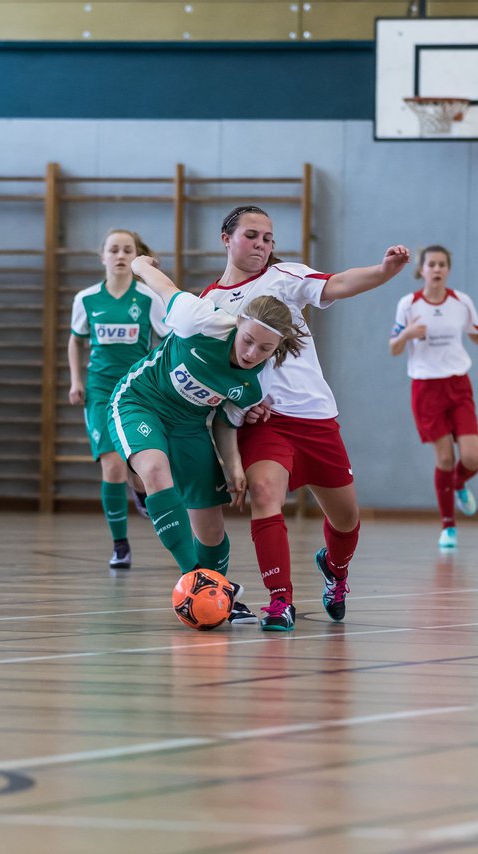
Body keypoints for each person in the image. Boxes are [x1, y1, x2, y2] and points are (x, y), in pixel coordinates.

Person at [200, 205, 410, 631]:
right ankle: (280, 601)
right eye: (252, 235)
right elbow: (206, 372)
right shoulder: (208, 304)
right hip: (265, 423)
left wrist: (384, 270)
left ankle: (335, 569)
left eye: (268, 239)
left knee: (346, 519)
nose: (261, 245)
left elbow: (338, 283)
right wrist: (232, 404)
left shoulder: (284, 278)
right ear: (226, 238)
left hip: (316, 419)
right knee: (263, 494)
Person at [112, 254, 308, 625]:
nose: (252, 353)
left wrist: (233, 466)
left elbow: (226, 421)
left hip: (190, 425)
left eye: (264, 349)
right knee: (154, 468)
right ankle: (200, 582)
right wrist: (139, 264)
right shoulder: (199, 319)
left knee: (211, 525)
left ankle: (218, 589)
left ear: (276, 349)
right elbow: (164, 287)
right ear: (238, 324)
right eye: (248, 340)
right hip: (141, 402)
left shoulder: (254, 384)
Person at [390, 245, 478, 549]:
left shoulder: (462, 302)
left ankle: (459, 483)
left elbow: (476, 334)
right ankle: (448, 526)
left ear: (448, 269)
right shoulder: (408, 305)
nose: (436, 269)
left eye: (441, 264)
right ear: (421, 270)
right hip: (425, 388)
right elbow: (393, 347)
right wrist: (407, 334)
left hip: (458, 385)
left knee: (472, 458)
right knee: (445, 457)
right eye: (431, 264)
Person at [68, 229, 169, 570]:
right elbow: (75, 340)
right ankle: (120, 545)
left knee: (136, 469)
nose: (121, 255)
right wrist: (76, 380)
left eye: (128, 250)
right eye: (114, 249)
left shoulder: (147, 298)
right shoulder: (86, 299)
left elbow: (168, 340)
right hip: (99, 391)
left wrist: (162, 382)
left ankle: (141, 494)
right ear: (103, 257)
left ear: (136, 255)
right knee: (112, 466)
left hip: (135, 392)